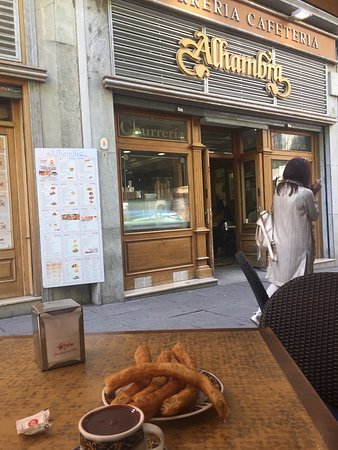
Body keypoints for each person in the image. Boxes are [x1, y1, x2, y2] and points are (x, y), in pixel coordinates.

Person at [251, 157, 322, 325]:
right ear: (303, 173)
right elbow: (314, 215)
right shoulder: (306, 193)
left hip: (280, 245)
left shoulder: (279, 190)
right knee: (300, 283)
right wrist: (315, 193)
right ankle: (296, 318)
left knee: (279, 282)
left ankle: (261, 312)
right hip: (299, 247)